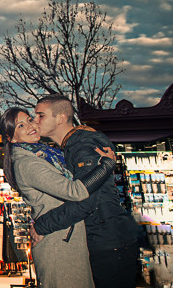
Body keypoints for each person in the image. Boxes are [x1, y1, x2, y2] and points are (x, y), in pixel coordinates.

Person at [30, 95, 142, 288]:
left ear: (61, 118)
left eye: (41, 115)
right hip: (107, 240)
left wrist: (41, 225)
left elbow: (85, 201)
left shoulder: (83, 147)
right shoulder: (72, 147)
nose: (35, 121)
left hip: (107, 243)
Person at [0, 107, 117, 288]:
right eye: (21, 126)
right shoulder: (27, 163)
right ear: (11, 138)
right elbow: (75, 191)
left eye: (30, 120)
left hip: (65, 238)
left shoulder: (44, 155)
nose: (31, 126)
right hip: (58, 246)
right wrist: (107, 164)